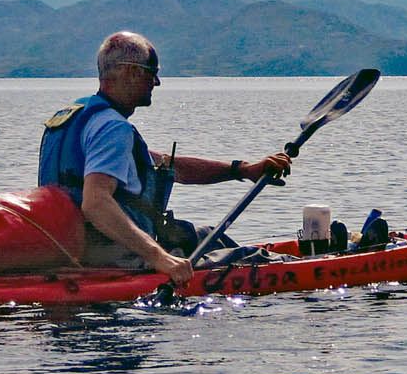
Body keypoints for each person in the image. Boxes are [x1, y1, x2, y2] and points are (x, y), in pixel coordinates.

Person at [39, 31, 293, 282]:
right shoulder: (113, 128)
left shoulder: (76, 119)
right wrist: (160, 258)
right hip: (118, 257)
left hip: (70, 248)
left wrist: (242, 170)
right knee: (253, 258)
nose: (156, 82)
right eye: (152, 72)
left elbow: (169, 166)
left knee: (209, 235)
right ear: (129, 71)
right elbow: (95, 204)